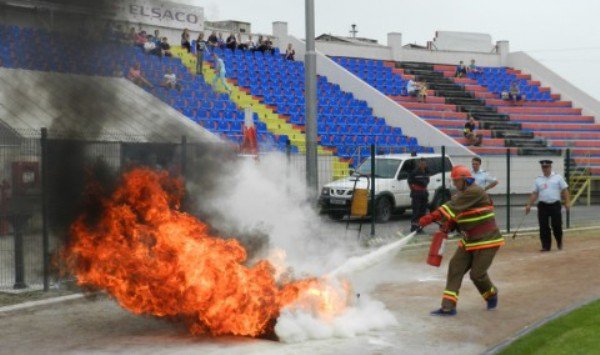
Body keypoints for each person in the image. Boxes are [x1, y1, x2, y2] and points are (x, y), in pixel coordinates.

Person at [419, 165, 504, 316]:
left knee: (477, 274)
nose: (454, 184)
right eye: (453, 181)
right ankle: (448, 307)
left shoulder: (474, 191)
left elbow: (451, 207)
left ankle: (491, 294)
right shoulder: (462, 194)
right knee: (455, 268)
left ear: (466, 180)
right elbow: (458, 213)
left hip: (487, 240)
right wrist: (449, 225)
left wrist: (431, 217)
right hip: (469, 240)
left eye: (457, 181)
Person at [525, 160, 571, 251]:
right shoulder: (538, 179)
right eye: (543, 167)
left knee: (557, 226)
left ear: (550, 167)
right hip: (543, 206)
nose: (545, 169)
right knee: (543, 227)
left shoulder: (558, 177)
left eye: (547, 167)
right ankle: (546, 246)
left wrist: (567, 202)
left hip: (555, 205)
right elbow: (535, 193)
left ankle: (559, 241)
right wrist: (529, 204)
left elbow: (565, 190)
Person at [409, 157, 430, 233]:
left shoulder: (427, 171)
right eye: (421, 164)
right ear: (419, 164)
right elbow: (410, 182)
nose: (423, 165)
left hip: (424, 193)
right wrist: (414, 189)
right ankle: (414, 227)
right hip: (417, 194)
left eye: (424, 164)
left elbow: (427, 181)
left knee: (423, 211)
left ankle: (420, 227)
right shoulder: (414, 172)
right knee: (416, 211)